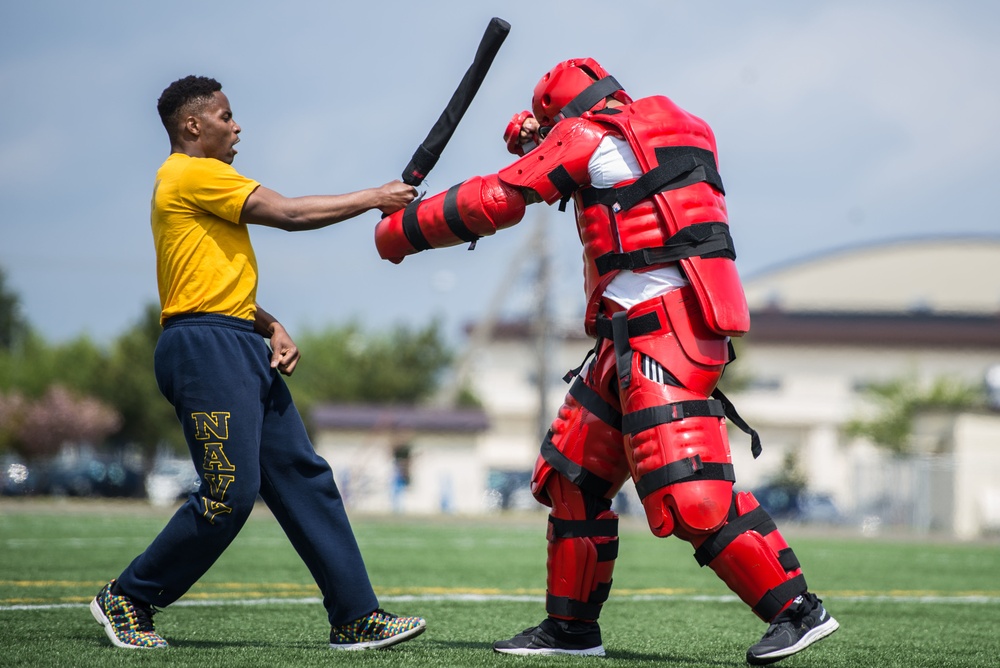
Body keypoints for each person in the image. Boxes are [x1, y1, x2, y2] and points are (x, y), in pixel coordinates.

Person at [374, 58, 839, 665]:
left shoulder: (588, 136)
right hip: (636, 332)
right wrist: (543, 139)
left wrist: (401, 230)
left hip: (662, 333)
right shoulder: (672, 128)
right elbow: (607, 173)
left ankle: (799, 611)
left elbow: (500, 197)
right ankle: (570, 631)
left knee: (689, 491)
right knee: (572, 479)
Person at [89, 75, 426, 651]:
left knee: (303, 477)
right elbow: (290, 214)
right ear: (193, 125)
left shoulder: (203, 182)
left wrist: (269, 324)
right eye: (225, 115)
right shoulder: (191, 173)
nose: (237, 124)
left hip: (235, 339)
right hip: (202, 348)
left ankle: (355, 617)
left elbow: (215, 279)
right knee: (229, 493)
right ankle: (129, 597)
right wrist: (374, 197)